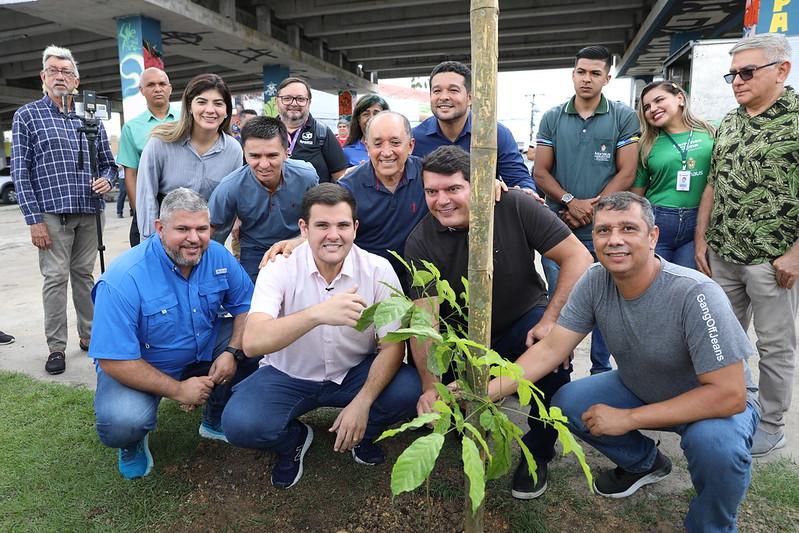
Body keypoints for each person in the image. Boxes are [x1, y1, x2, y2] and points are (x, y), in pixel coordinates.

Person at [487, 192, 759, 532]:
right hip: (640, 385)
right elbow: (550, 350)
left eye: (628, 228)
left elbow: (729, 394)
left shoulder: (695, 293)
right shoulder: (595, 280)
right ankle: (645, 463)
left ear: (653, 236)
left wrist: (628, 418)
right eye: (603, 231)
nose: (614, 240)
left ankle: (711, 525)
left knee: (717, 448)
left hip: (710, 403)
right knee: (568, 403)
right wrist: (485, 392)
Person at [405, 146, 593, 499]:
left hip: (522, 320)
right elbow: (424, 322)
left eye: (452, 189)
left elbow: (578, 257)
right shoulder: (420, 241)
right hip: (462, 340)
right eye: (432, 192)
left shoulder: (514, 206)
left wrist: (552, 321)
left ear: (476, 185)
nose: (441, 200)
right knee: (457, 417)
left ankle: (537, 450)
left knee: (554, 362)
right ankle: (472, 431)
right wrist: (430, 386)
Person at [222, 184, 420, 489]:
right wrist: (317, 314)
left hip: (353, 371)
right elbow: (252, 341)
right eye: (322, 225)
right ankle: (294, 440)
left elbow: (393, 346)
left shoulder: (377, 269)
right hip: (288, 374)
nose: (333, 235)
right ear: (304, 228)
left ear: (355, 227)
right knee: (240, 424)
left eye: (342, 225)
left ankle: (361, 432)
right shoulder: (279, 267)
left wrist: (363, 402)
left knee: (409, 389)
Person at [89, 188, 258, 480]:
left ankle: (214, 416)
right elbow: (113, 360)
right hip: (142, 364)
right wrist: (179, 390)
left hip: (203, 347)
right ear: (159, 228)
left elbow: (246, 305)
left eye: (201, 229)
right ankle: (131, 442)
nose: (194, 238)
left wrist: (232, 351)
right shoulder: (123, 278)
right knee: (122, 421)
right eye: (182, 229)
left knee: (259, 341)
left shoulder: (217, 256)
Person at [695, 33, 799, 458]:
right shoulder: (731, 121)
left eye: (747, 72)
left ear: (782, 70)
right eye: (732, 74)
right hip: (723, 253)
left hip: (773, 261)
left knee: (775, 346)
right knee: (722, 338)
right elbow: (713, 184)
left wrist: (795, 254)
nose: (737, 81)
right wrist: (702, 238)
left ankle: (771, 423)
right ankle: (731, 403)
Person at [534, 45, 640, 374]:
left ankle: (601, 371)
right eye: (581, 72)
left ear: (607, 78)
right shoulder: (553, 117)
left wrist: (593, 210)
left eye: (595, 73)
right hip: (559, 227)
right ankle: (557, 369)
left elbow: (627, 171)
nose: (587, 79)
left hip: (605, 227)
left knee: (610, 300)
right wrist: (570, 201)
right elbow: (540, 172)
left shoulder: (623, 116)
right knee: (560, 301)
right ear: (573, 74)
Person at [11, 45, 115, 375]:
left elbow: (109, 165)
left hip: (88, 210)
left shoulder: (91, 117)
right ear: (43, 77)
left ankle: (90, 336)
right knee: (55, 278)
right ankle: (56, 346)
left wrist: (107, 181)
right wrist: (33, 219)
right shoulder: (27, 116)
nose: (60, 76)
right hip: (51, 213)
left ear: (76, 81)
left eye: (66, 72)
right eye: (54, 70)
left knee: (84, 277)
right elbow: (20, 171)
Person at [208, 116, 319, 282]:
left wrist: (303, 241)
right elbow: (212, 233)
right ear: (244, 153)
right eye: (255, 156)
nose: (264, 164)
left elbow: (320, 218)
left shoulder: (306, 176)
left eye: (272, 155)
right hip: (255, 251)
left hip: (297, 244)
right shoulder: (230, 186)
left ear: (286, 151)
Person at [136, 73, 243, 240]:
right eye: (201, 102)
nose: (210, 110)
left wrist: (212, 244)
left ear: (227, 111)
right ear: (189, 107)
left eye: (218, 103)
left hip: (207, 242)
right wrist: (152, 244)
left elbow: (228, 206)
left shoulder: (234, 150)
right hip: (164, 240)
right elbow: (147, 198)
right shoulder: (160, 143)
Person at [412, 61, 535, 190]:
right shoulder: (414, 138)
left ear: (470, 98)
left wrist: (526, 192)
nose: (444, 97)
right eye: (437, 91)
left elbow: (520, 180)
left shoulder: (495, 134)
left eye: (453, 90)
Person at [632, 81, 715, 269]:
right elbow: (637, 193)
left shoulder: (712, 131)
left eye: (659, 100)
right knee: (656, 284)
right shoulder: (645, 145)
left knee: (688, 283)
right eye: (646, 107)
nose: (653, 108)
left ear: (680, 99)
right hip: (658, 221)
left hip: (699, 223)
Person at [117, 67, 176, 246]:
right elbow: (131, 174)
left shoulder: (187, 120)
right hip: (150, 201)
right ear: (142, 91)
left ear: (170, 88)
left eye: (162, 84)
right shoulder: (131, 128)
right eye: (150, 85)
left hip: (183, 203)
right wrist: (140, 213)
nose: (157, 89)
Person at [275, 77, 349, 182]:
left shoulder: (323, 133)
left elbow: (341, 177)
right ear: (276, 101)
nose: (294, 103)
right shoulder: (265, 133)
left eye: (301, 99)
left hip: (315, 198)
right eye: (287, 98)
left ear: (309, 102)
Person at [342, 94, 389, 167]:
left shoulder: (395, 150)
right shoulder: (347, 153)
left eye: (376, 113)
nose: (371, 118)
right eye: (366, 114)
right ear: (358, 120)